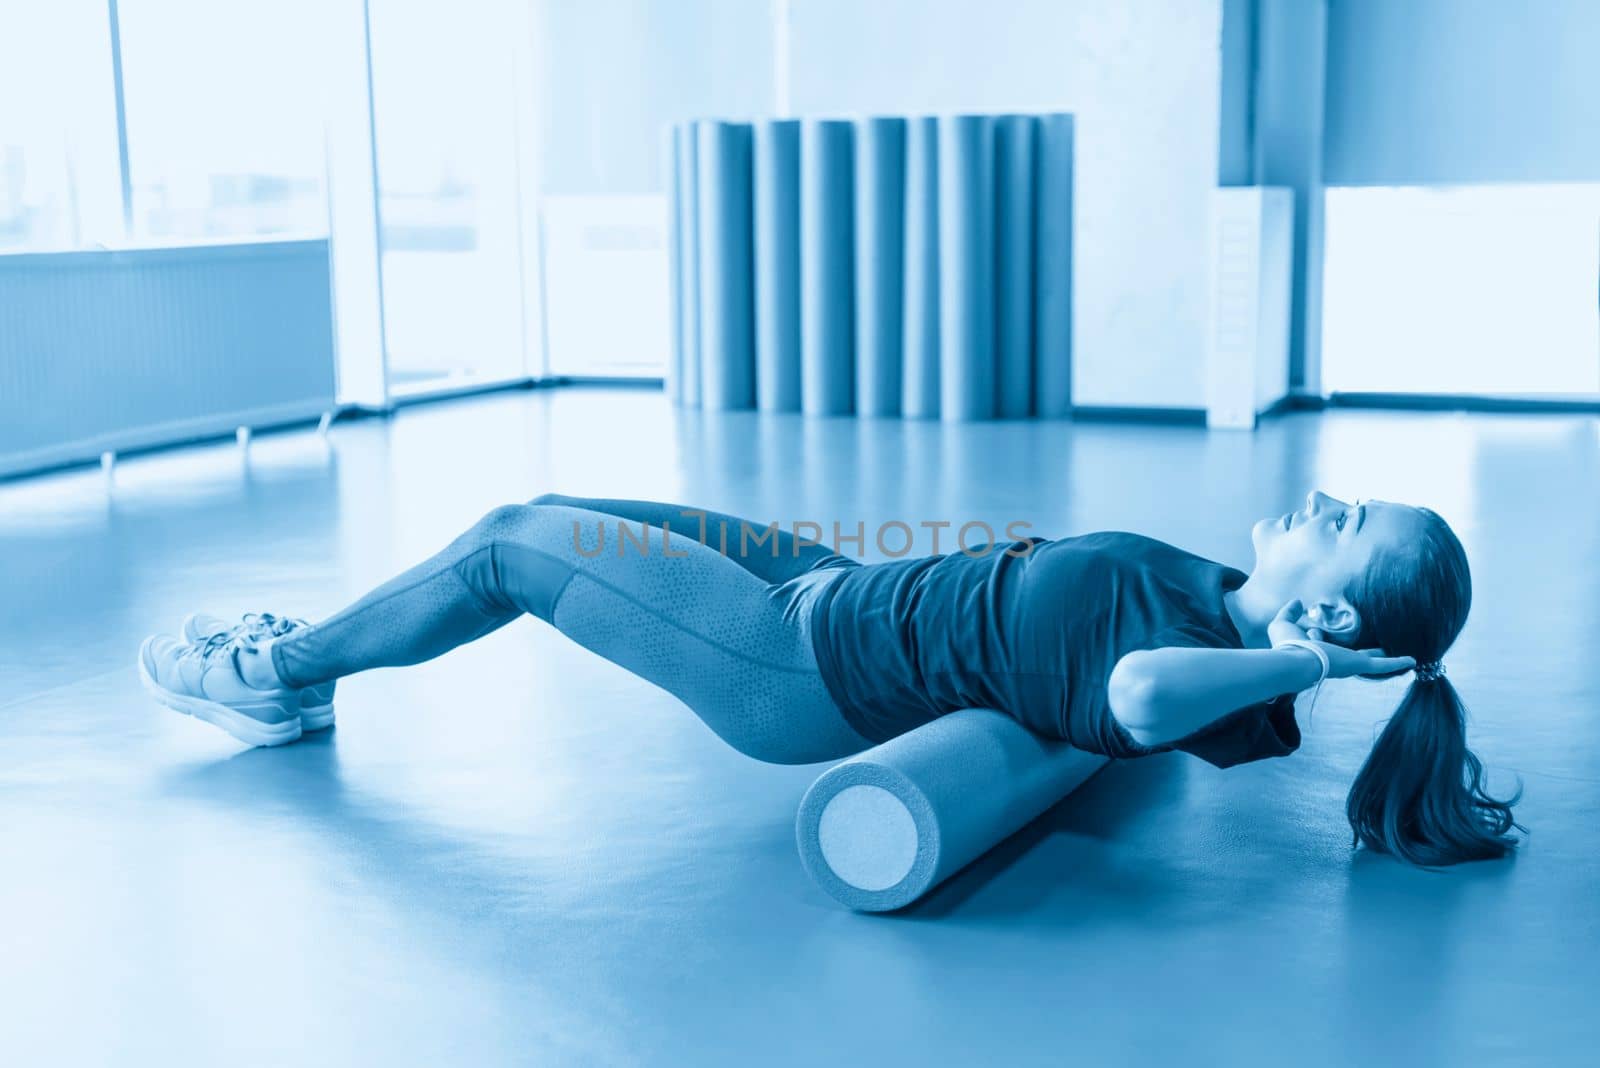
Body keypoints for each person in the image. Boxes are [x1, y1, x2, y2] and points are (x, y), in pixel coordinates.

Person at [138, 490, 1521, 867]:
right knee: (550, 503)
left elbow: (1140, 705)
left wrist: (1310, 664)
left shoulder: (1226, 669)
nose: (1327, 496)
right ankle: (303, 668)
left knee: (509, 546)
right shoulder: (1220, 598)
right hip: (826, 589)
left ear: (1332, 612)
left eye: (1348, 521)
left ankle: (275, 673)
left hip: (790, 665)